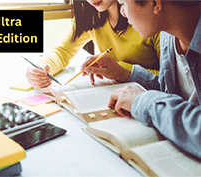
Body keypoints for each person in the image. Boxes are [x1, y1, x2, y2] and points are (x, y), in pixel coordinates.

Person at [82, 0, 201, 159]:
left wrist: (144, 101)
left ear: (155, 3)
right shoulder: (168, 37)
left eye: (123, 3)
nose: (122, 13)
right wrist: (124, 73)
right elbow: (175, 93)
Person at [26, 0, 160, 88]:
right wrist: (41, 68)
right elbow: (62, 51)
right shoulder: (91, 14)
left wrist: (122, 70)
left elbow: (173, 81)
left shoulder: (149, 17)